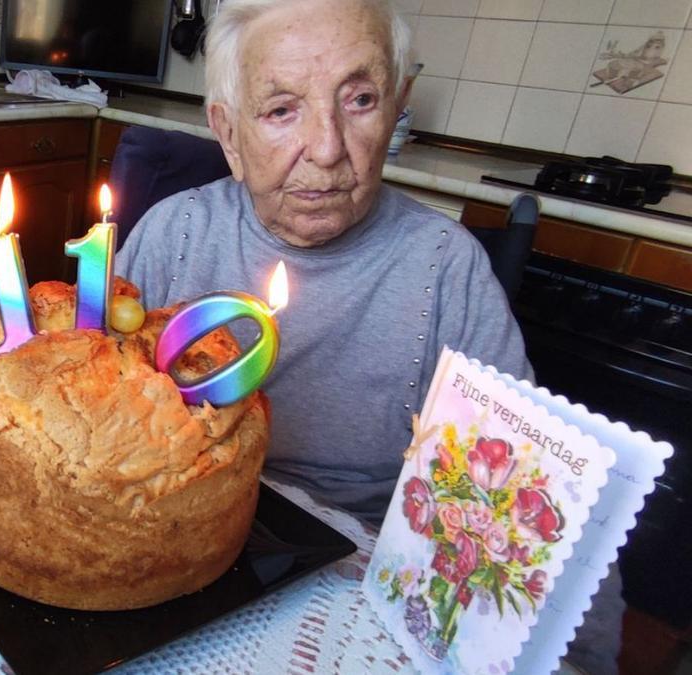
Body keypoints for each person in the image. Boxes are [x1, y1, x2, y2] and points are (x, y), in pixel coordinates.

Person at [116, 0, 622, 672]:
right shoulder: (172, 234)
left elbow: (535, 505)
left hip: (361, 585)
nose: (327, 148)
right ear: (229, 135)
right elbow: (99, 410)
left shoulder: (445, 269)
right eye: (280, 109)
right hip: (173, 553)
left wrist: (583, 658)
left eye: (359, 99)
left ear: (398, 108)